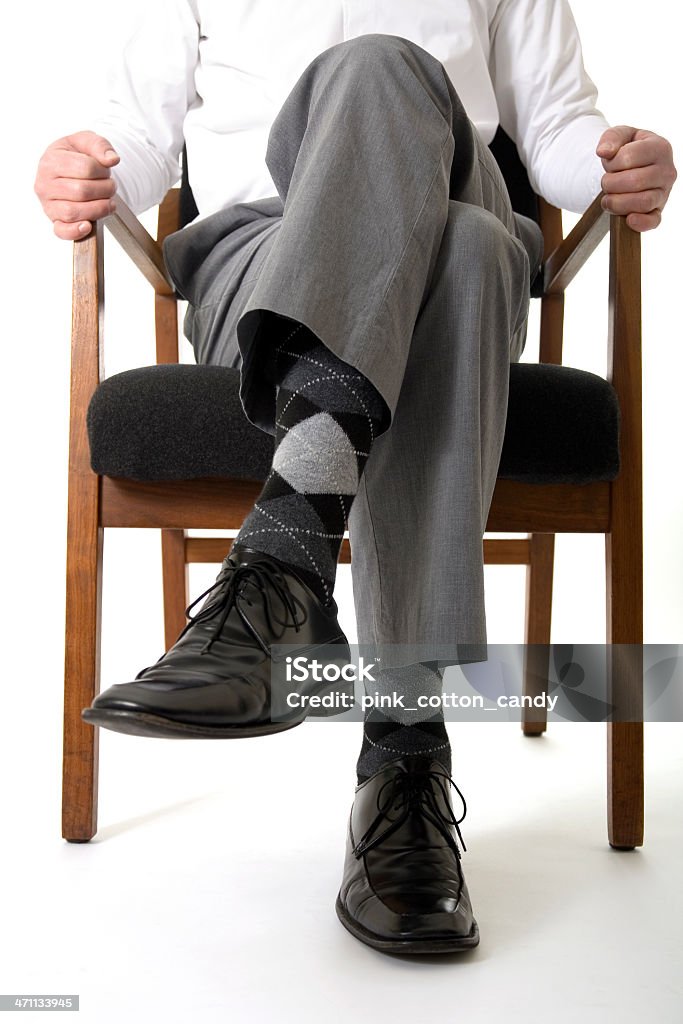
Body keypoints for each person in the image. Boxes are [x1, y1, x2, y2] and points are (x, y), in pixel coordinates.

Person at [35, 0, 676, 955]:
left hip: (469, 221)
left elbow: (553, 128)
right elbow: (137, 130)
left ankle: (281, 565)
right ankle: (405, 760)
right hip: (264, 257)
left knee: (414, 133)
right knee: (452, 238)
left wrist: (615, 160)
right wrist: (85, 163)